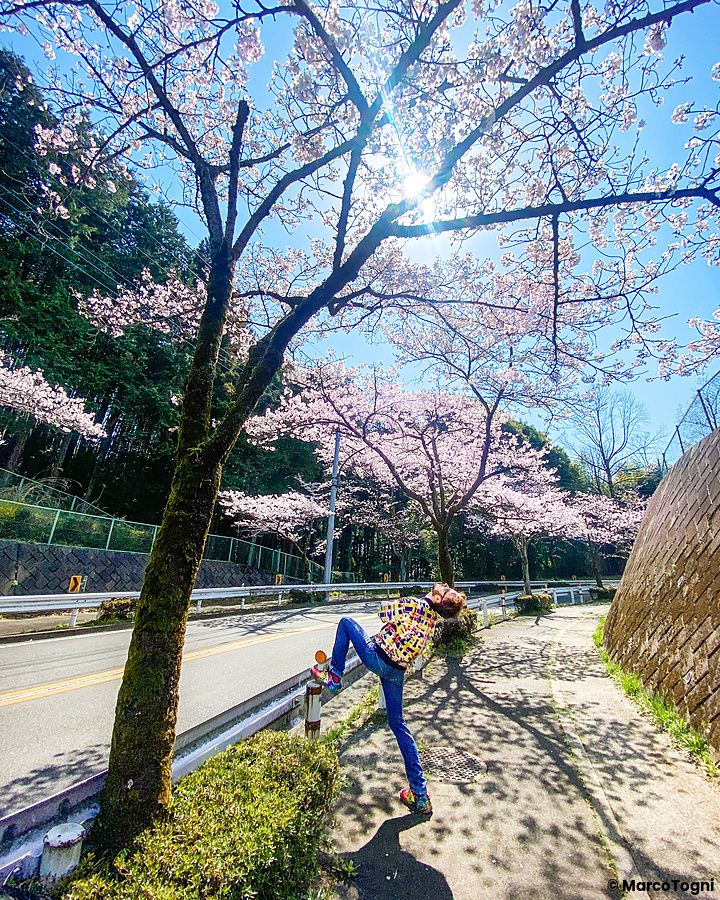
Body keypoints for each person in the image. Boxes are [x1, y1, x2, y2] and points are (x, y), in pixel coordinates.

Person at [312, 583, 467, 817]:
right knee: (399, 725)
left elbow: (383, 613)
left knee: (346, 623)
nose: (444, 585)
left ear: (437, 598)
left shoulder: (414, 604)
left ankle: (334, 676)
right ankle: (420, 795)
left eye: (446, 589)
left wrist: (399, 605)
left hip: (378, 657)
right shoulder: (431, 621)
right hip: (396, 673)